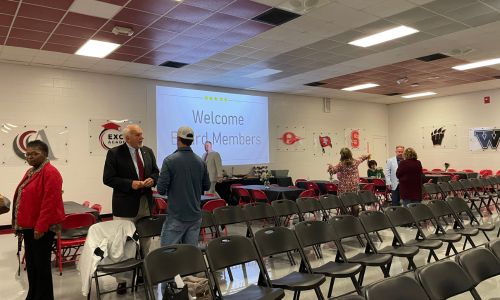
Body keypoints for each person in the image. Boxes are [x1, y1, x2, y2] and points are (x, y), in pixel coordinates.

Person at [102, 124, 159, 293]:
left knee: (145, 242)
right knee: (124, 244)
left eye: (142, 134)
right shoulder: (114, 153)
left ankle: (143, 274)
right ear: (128, 138)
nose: (142, 137)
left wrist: (152, 180)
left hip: (145, 203)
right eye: (138, 135)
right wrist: (130, 184)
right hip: (125, 206)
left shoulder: (147, 151)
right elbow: (108, 178)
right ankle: (122, 280)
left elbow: (156, 172)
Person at [12, 140, 65, 300]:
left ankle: (44, 296)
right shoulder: (32, 171)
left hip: (41, 228)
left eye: (35, 154)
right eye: (28, 154)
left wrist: (40, 227)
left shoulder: (50, 172)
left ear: (45, 154)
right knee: (33, 265)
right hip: (29, 226)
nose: (30, 157)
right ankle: (34, 294)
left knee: (41, 267)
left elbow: (49, 203)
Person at [157, 126, 210, 247]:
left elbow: (160, 190)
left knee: (168, 253)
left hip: (176, 216)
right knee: (189, 253)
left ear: (178, 139)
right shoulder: (200, 162)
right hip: (195, 216)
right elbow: (206, 186)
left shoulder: (169, 161)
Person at [328, 148, 370, 215]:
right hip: (354, 187)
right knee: (355, 203)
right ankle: (355, 219)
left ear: (342, 156)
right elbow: (362, 158)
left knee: (342, 204)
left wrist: (330, 167)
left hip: (343, 188)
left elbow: (333, 171)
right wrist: (367, 156)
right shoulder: (355, 162)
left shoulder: (341, 164)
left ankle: (345, 219)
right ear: (350, 154)